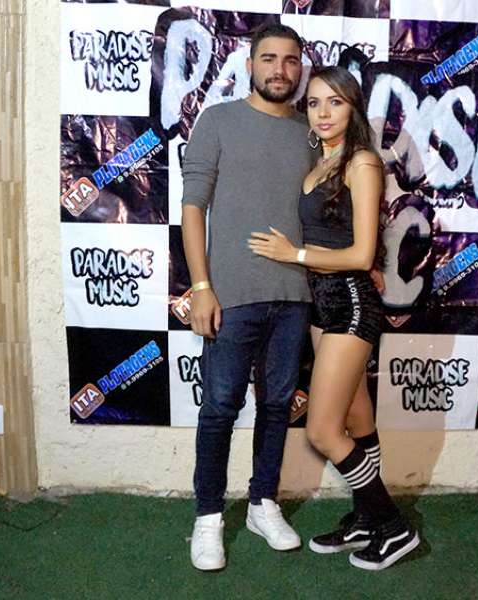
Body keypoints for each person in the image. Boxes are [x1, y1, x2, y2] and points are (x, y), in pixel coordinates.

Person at [248, 66, 420, 571]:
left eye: (336, 102)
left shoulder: (362, 162)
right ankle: (366, 518)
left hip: (350, 303)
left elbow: (361, 252)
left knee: (323, 431)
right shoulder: (319, 162)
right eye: (315, 102)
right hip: (321, 305)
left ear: (353, 108)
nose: (323, 112)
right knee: (357, 418)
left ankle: (393, 526)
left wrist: (294, 255)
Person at [181, 23, 315, 571]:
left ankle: (263, 504)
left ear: (300, 68)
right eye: (269, 58)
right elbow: (193, 208)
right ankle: (208, 517)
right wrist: (201, 287)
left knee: (279, 405)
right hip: (231, 294)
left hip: (295, 295)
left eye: (290, 60)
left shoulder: (312, 132)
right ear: (250, 64)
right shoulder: (218, 120)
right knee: (219, 407)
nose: (280, 69)